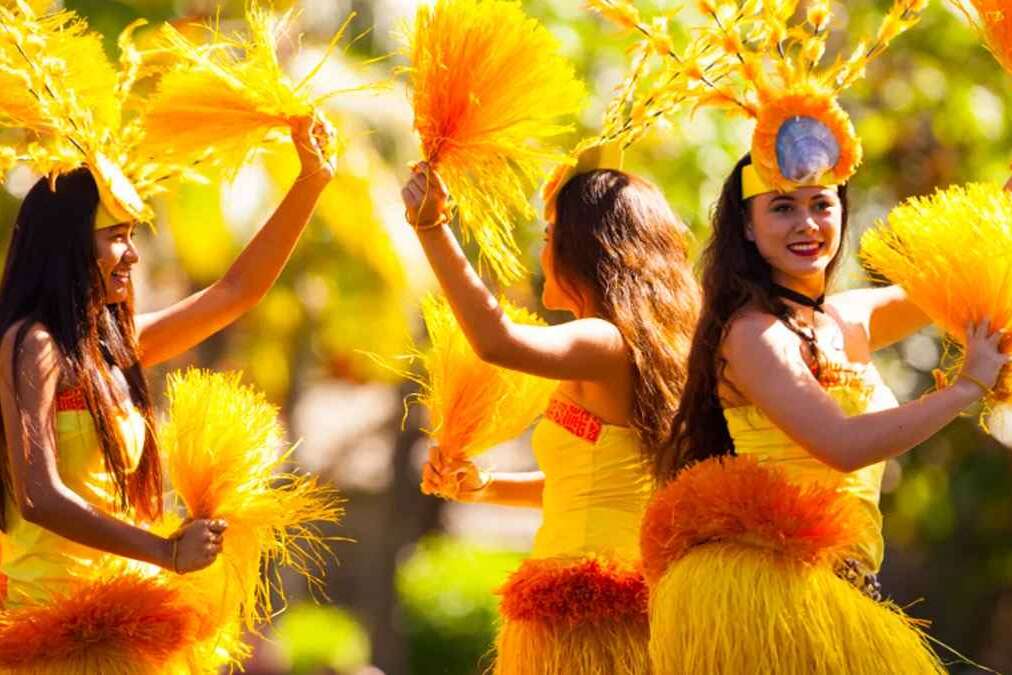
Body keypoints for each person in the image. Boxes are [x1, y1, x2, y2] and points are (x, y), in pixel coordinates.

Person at [641, 152, 1008, 674]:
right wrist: (966, 385)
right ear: (747, 225)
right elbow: (841, 445)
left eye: (821, 204)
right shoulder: (753, 334)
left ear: (842, 210)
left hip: (839, 586)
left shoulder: (846, 316)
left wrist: (1002, 207)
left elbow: (948, 274)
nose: (807, 223)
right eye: (783, 208)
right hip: (768, 597)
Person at [0, 116, 333, 605]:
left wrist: (312, 180)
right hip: (49, 612)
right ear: (68, 245)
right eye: (116, 235)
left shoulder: (115, 344)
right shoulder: (34, 345)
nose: (132, 255)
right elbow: (38, 498)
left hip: (124, 598)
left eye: (132, 234)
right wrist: (164, 552)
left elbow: (237, 292)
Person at [400, 152, 699, 675]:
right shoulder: (627, 348)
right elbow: (578, 485)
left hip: (593, 612)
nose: (542, 250)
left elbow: (496, 341)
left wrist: (431, 227)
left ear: (586, 250)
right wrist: (486, 485)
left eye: (549, 234)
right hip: (591, 601)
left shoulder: (605, 339)